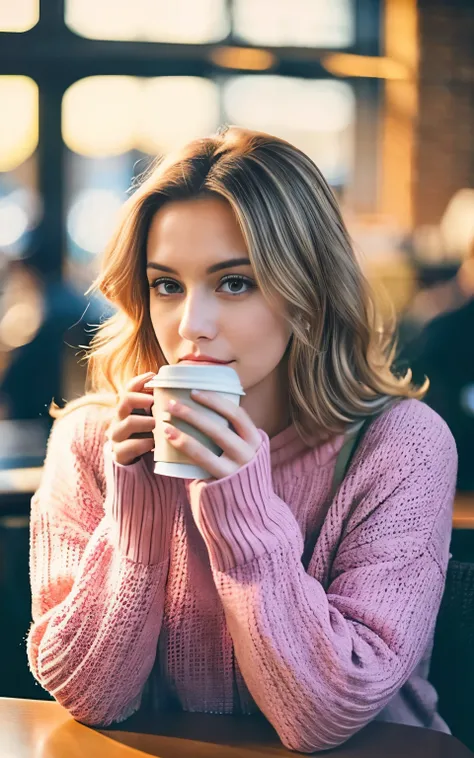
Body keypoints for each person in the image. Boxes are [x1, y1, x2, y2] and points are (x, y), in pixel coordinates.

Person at [27, 127, 457, 754]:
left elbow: (325, 716)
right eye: (166, 284)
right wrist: (138, 521)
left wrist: (241, 511)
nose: (191, 326)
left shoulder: (400, 446)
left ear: (307, 293)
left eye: (235, 283)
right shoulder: (93, 439)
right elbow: (86, 694)